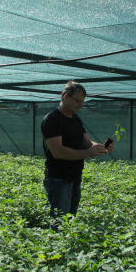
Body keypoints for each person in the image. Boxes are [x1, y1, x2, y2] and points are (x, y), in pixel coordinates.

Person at [41, 80, 114, 229]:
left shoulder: (76, 119)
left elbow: (86, 142)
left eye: (82, 102)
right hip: (59, 180)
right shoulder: (52, 120)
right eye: (78, 101)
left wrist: (99, 147)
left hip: (75, 179)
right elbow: (57, 151)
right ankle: (54, 250)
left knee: (69, 224)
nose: (81, 105)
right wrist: (88, 153)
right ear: (66, 97)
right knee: (59, 226)